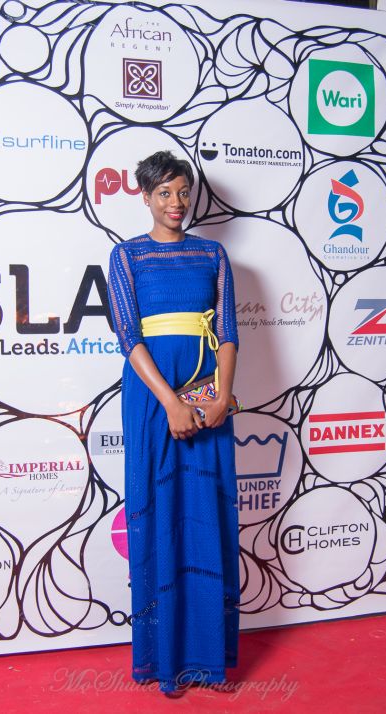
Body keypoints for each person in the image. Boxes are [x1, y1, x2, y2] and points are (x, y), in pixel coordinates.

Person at [106, 150, 240, 697]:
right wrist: (171, 403)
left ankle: (210, 661)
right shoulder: (127, 256)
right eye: (164, 193)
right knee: (159, 514)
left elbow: (228, 332)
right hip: (152, 398)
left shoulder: (213, 254)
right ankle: (163, 661)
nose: (176, 203)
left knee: (208, 516)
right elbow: (128, 335)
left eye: (183, 192)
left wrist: (222, 396)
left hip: (208, 396)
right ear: (146, 197)